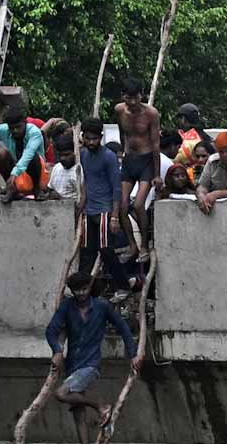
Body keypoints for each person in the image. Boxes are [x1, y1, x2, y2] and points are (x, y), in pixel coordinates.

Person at [45, 269, 141, 444]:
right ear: (72, 291)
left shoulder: (101, 306)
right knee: (79, 419)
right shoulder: (67, 306)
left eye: (84, 289)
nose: (81, 294)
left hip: (90, 364)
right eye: (77, 290)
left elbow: (123, 328)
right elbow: (51, 330)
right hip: (72, 365)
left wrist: (133, 355)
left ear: (89, 288)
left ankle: (100, 406)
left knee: (60, 393)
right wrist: (57, 350)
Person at [77, 117, 130, 291]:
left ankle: (123, 285)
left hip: (105, 210)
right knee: (86, 252)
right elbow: (86, 181)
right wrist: (81, 207)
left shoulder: (109, 157)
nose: (91, 142)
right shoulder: (83, 154)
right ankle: (83, 290)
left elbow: (116, 187)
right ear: (83, 137)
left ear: (100, 137)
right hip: (89, 209)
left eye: (95, 139)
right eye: (88, 138)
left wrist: (115, 216)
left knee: (106, 250)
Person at [113, 79, 161, 248]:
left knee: (139, 204)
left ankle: (144, 246)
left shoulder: (151, 114)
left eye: (136, 97)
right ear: (123, 97)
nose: (132, 102)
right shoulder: (119, 110)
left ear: (141, 95)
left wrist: (156, 174)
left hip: (146, 160)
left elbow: (156, 144)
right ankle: (132, 244)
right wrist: (121, 152)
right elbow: (122, 132)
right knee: (122, 206)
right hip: (129, 160)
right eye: (128, 98)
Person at [43, 133, 80, 200]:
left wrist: (60, 199)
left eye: (67, 155)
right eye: (60, 155)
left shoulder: (79, 172)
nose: (62, 158)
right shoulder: (56, 167)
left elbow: (82, 199)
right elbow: (50, 188)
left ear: (75, 152)